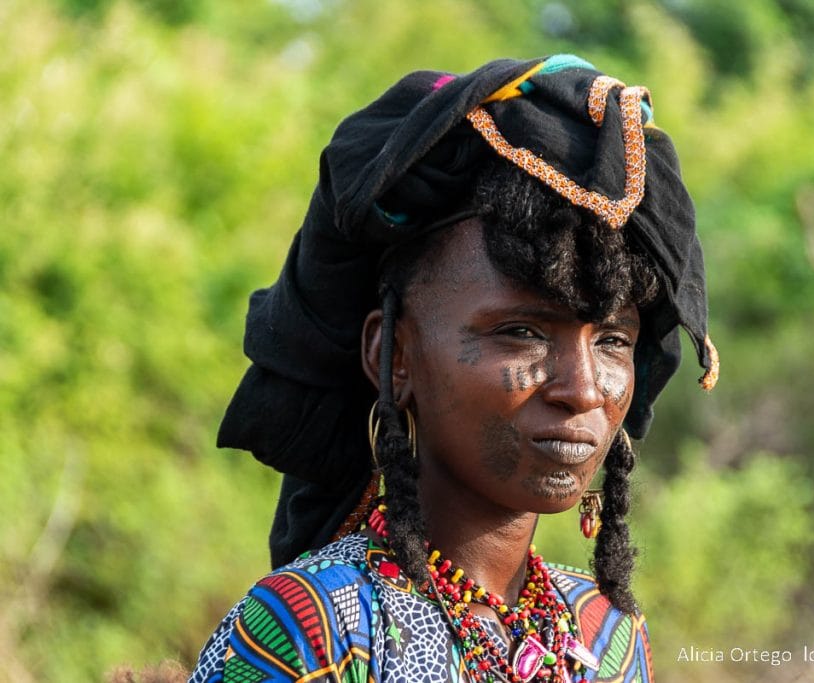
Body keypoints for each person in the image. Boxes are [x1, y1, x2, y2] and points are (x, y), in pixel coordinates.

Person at [189, 54, 718, 683]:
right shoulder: (315, 630)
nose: (582, 390)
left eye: (611, 341)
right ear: (394, 355)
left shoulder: (608, 635)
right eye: (521, 332)